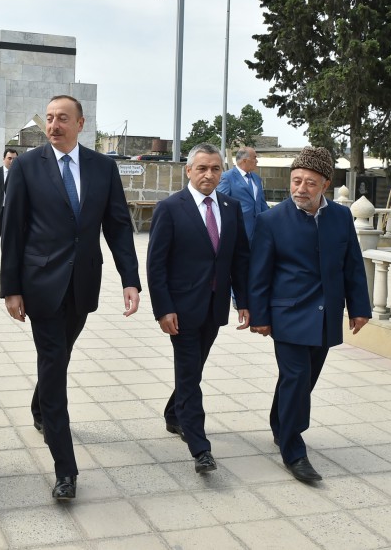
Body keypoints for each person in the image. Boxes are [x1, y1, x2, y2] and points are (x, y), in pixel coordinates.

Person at [1, 95, 141, 501]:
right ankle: (66, 469)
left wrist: (130, 279)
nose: (53, 125)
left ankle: (40, 408)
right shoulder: (27, 166)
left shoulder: (102, 167)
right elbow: (13, 230)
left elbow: (117, 226)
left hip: (82, 286)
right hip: (41, 285)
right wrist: (11, 288)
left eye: (62, 118)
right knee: (55, 367)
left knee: (57, 357)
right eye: (48, 119)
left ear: (80, 123)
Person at [245, 146, 371, 483]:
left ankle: (279, 423)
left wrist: (359, 307)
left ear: (325, 185)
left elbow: (353, 266)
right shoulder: (270, 221)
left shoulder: (341, 217)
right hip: (288, 316)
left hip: (326, 315)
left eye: (310, 183)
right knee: (297, 378)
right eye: (296, 180)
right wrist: (260, 316)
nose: (301, 188)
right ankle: (293, 449)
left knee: (303, 381)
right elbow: (258, 274)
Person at [147, 143, 250, 474]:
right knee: (190, 373)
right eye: (202, 168)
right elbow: (156, 265)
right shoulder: (170, 208)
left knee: (193, 369)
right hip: (181, 308)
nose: (209, 174)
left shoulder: (231, 207)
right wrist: (163, 308)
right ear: (188, 171)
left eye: (215, 168)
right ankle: (199, 447)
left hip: (215, 308)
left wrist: (244, 302)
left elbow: (239, 259)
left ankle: (174, 414)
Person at [216, 146, 269, 241]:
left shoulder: (256, 178)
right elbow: (220, 204)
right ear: (245, 160)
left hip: (258, 230)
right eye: (254, 158)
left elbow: (262, 203)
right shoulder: (227, 177)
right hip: (238, 231)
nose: (257, 161)